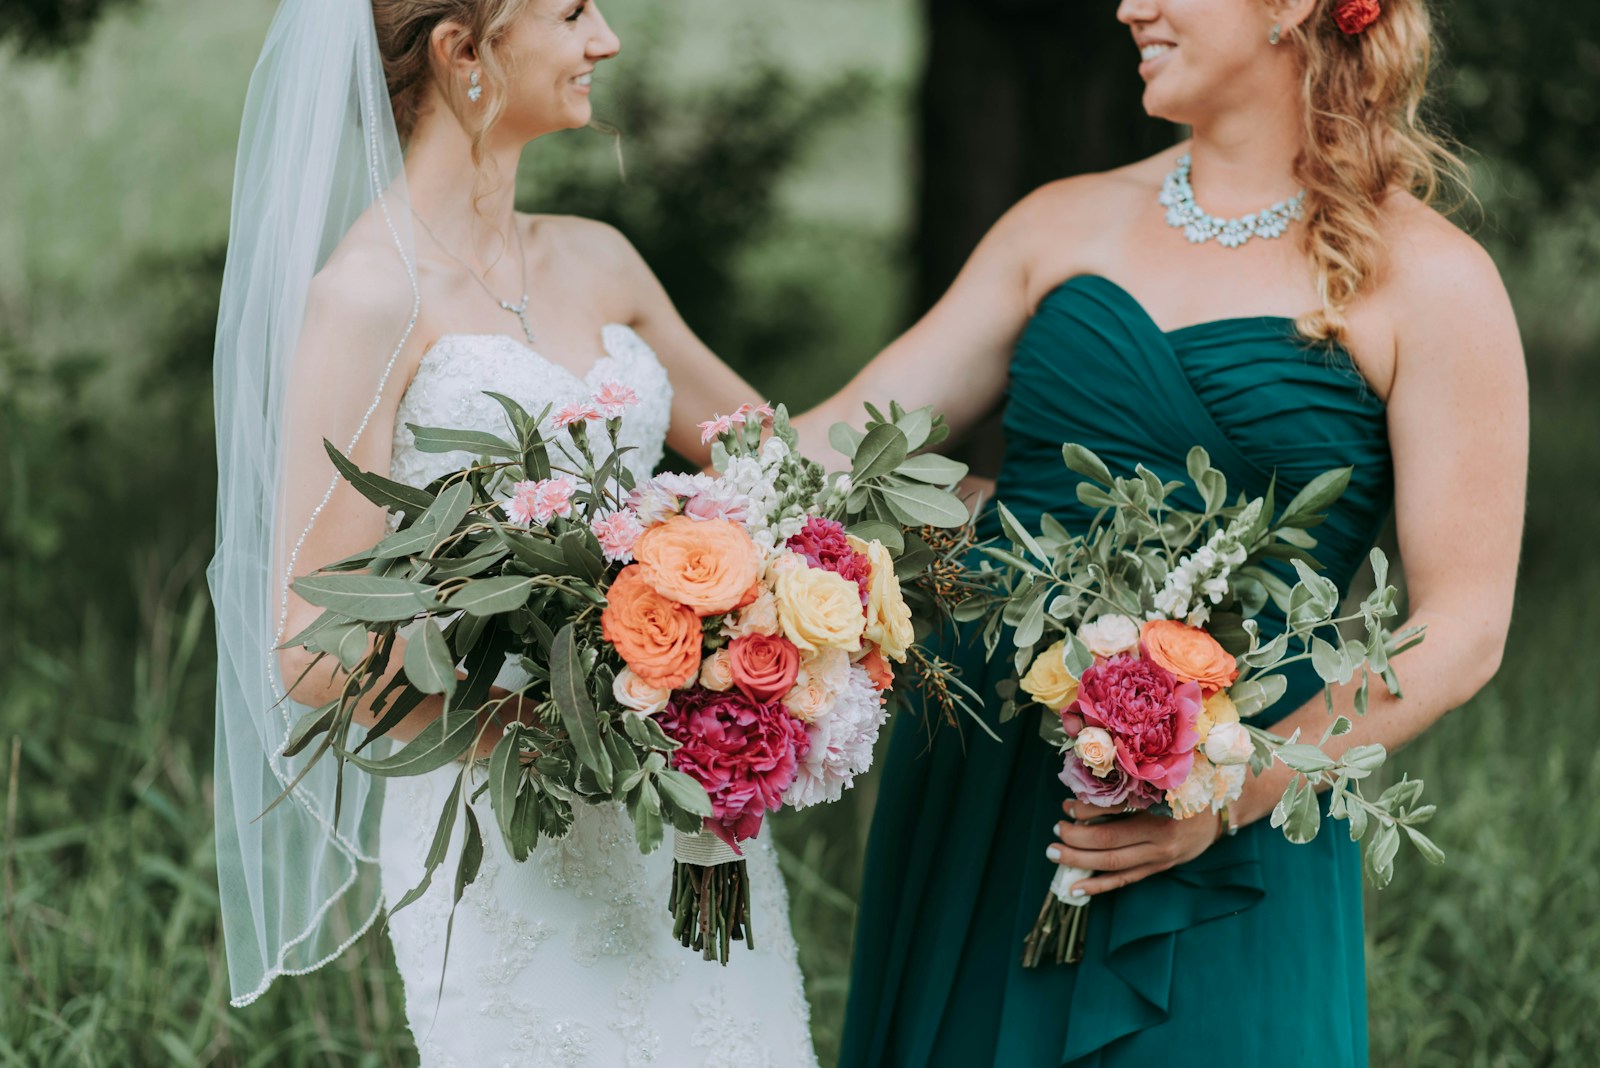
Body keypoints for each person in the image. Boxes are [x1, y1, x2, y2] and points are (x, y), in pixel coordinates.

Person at [793, 0, 1527, 1064]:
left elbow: (1462, 628)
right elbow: (836, 449)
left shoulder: (1431, 279)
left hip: (1222, 810)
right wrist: (622, 447)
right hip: (982, 790)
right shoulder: (1059, 223)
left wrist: (1225, 798)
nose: (1129, 4)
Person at [209, 1, 818, 1063]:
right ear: (461, 51)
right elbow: (309, 643)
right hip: (509, 836)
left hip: (688, 818)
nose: (606, 40)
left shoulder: (603, 260)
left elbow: (785, 475)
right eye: (573, 10)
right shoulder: (367, 298)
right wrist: (555, 711)